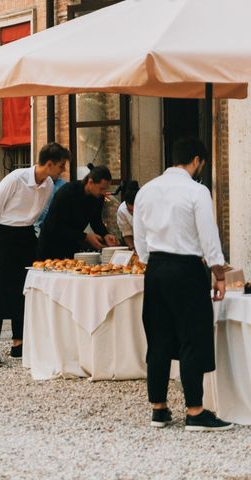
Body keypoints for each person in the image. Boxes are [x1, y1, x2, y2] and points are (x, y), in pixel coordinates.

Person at [133, 136, 231, 432]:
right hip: (187, 268)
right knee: (192, 336)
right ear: (197, 161)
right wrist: (220, 273)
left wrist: (153, 262)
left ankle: (159, 409)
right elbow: (208, 237)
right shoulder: (197, 191)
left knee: (159, 336)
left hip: (156, 268)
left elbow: (140, 240)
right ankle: (195, 411)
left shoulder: (146, 191)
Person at [0, 142, 70, 367]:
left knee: (25, 288)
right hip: (3, 233)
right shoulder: (15, 179)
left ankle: (18, 343)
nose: (63, 170)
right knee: (0, 289)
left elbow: (38, 214)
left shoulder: (49, 184)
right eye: (61, 166)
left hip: (27, 235)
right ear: (49, 164)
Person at [37, 163, 118, 260]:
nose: (104, 192)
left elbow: (96, 221)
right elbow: (54, 225)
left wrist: (105, 235)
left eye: (106, 189)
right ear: (90, 182)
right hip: (50, 245)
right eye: (102, 188)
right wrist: (85, 236)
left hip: (72, 243)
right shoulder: (67, 192)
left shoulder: (98, 197)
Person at [116, 181, 139, 249]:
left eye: (136, 210)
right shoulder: (122, 210)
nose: (133, 213)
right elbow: (127, 233)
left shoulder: (149, 208)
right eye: (130, 210)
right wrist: (132, 248)